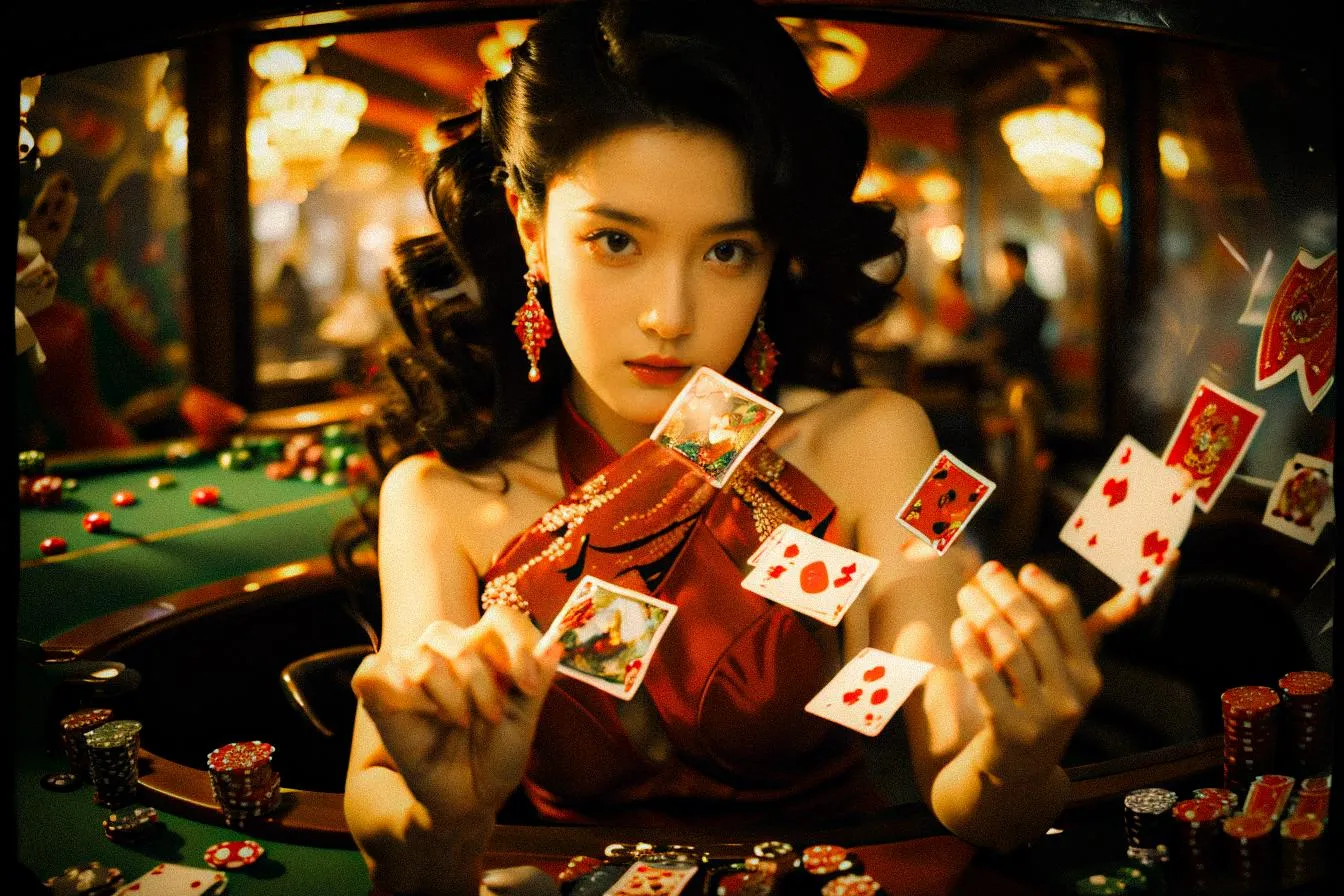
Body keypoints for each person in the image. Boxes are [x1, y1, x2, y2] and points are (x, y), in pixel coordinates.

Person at [343, 3, 1146, 893]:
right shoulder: (439, 499)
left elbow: (970, 791)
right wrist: (444, 818)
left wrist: (1018, 757)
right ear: (530, 227)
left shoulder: (874, 442)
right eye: (615, 240)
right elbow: (382, 810)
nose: (671, 315)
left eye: (727, 251)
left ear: (772, 257)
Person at [984, 240, 1053, 398]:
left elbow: (1009, 335)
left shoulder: (1024, 299)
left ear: (1015, 263)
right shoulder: (1016, 296)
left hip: (1023, 374)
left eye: (1006, 261)